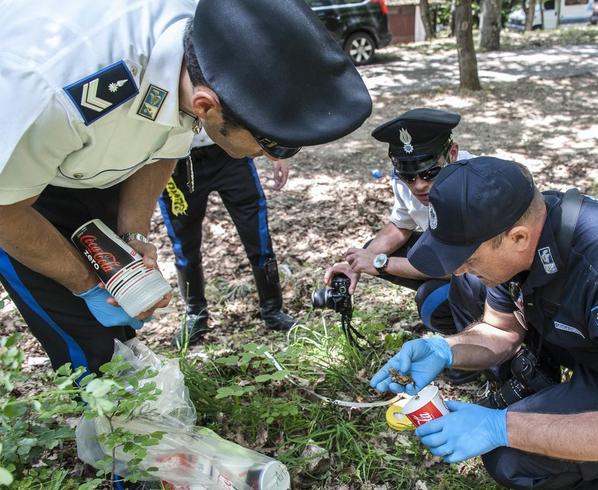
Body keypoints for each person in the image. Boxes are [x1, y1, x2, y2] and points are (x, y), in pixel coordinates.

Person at [0, 0, 371, 377]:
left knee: (122, 316)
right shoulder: (60, 93)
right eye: (272, 145)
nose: (267, 155)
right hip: (13, 185)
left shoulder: (207, 48)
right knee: (83, 337)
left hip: (88, 163)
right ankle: (107, 424)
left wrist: (133, 233)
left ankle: (133, 409)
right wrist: (85, 282)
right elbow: (5, 210)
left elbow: (165, 144)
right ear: (206, 105)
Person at [371, 157, 598, 488]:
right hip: (595, 356)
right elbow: (501, 330)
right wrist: (443, 350)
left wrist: (500, 428)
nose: (456, 267)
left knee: (510, 458)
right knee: (468, 288)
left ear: (517, 238)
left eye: (465, 256)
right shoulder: (524, 228)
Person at [324, 109, 487, 383]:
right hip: (448, 256)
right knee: (373, 248)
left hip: (490, 276)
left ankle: (477, 355)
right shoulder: (408, 179)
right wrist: (358, 263)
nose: (420, 185)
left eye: (430, 173)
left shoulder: (476, 185)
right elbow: (401, 225)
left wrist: (381, 264)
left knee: (433, 299)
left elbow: (472, 266)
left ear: (453, 153)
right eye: (409, 176)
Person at [160, 130, 296, 348]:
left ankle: (273, 309)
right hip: (175, 161)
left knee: (257, 235)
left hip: (228, 150)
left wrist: (279, 152)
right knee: (184, 245)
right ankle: (195, 314)